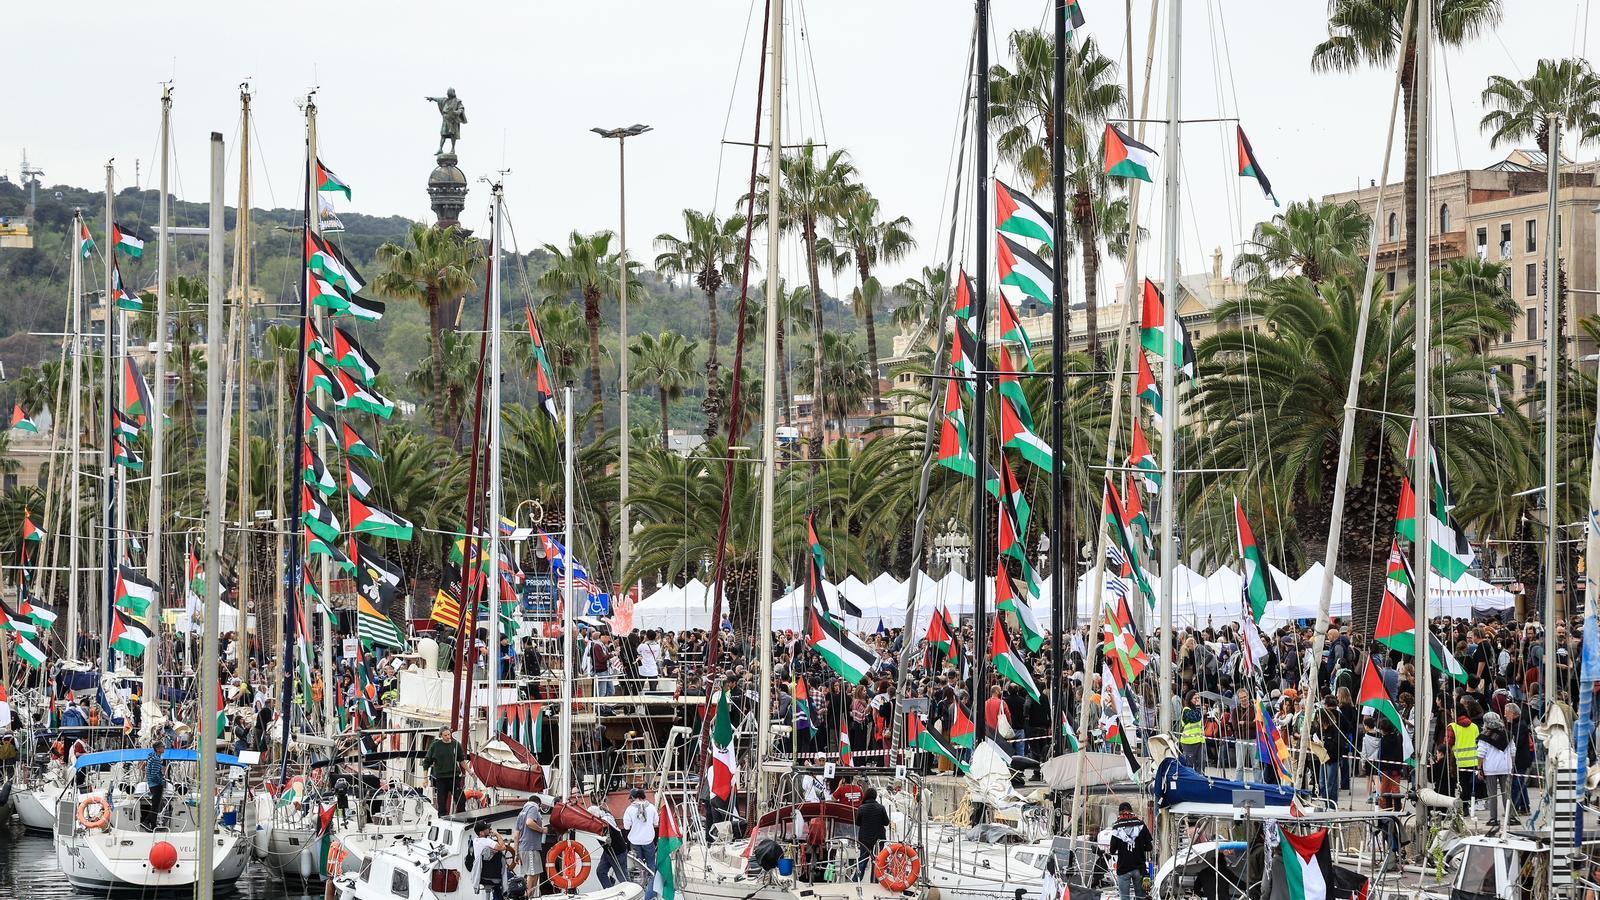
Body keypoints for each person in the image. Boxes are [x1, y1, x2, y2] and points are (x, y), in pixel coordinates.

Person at [1108, 801, 1152, 900]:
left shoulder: (1116, 827)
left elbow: (1112, 850)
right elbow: (1149, 847)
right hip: (1139, 868)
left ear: (1120, 813)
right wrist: (1139, 847)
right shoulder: (1141, 824)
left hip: (1123, 868)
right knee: (1141, 897)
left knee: (1124, 897)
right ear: (1131, 811)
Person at [587, 790, 630, 889]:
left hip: (617, 852)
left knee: (623, 878)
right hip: (608, 851)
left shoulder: (605, 823)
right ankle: (609, 889)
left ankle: (631, 891)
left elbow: (607, 834)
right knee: (600, 871)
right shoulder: (606, 816)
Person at [1477, 711, 1513, 827]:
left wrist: (1479, 768)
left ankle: (1493, 819)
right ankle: (1510, 817)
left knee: (1492, 794)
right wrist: (1511, 764)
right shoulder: (1507, 734)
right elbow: (1513, 751)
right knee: (1506, 794)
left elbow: (1481, 754)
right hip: (1506, 767)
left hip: (1491, 769)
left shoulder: (1484, 736)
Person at [622, 788, 659, 899]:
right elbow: (656, 823)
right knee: (651, 868)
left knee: (637, 870)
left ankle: (638, 893)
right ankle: (650, 895)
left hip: (635, 843)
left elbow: (626, 826)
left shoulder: (629, 809)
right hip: (648, 841)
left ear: (633, 798)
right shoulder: (651, 807)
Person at [1446, 703, 1481, 814]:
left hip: (1459, 761)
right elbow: (1478, 742)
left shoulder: (1452, 727)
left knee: (1461, 786)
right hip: (1474, 761)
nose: (1451, 714)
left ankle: (1462, 808)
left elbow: (1448, 743)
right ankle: (1467, 806)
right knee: (1469, 787)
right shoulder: (1474, 726)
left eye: (1452, 712)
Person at [425, 727, 468, 815]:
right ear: (441, 736)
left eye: (449, 734)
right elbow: (427, 761)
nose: (448, 737)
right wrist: (425, 778)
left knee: (460, 799)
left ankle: (462, 817)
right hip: (441, 778)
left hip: (454, 777)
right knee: (441, 802)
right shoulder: (435, 745)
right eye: (445, 735)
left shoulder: (456, 744)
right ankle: (442, 819)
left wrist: (470, 771)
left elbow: (461, 760)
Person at [854, 787, 890, 881]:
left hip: (865, 838)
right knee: (878, 860)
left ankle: (856, 880)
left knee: (863, 859)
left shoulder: (861, 808)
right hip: (879, 838)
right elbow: (886, 822)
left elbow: (858, 823)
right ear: (875, 796)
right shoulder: (881, 808)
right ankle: (875, 880)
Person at [515, 795, 546, 898]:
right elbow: (529, 822)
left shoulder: (521, 813)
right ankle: (526, 897)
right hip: (530, 847)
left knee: (536, 874)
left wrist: (516, 853)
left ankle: (530, 897)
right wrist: (542, 829)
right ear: (538, 804)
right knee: (532, 875)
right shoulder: (532, 808)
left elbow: (516, 835)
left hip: (525, 848)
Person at [473, 820, 512, 900]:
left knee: (498, 884)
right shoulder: (487, 841)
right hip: (492, 876)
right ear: (481, 833)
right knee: (511, 878)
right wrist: (497, 835)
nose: (489, 829)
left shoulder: (475, 841)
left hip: (481, 875)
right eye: (487, 828)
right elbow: (503, 847)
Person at [143, 740, 168, 831]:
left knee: (155, 806)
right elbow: (154, 774)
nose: (164, 748)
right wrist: (161, 781)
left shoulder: (151, 757)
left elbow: (150, 772)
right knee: (155, 807)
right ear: (157, 749)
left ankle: (150, 823)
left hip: (151, 784)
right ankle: (149, 823)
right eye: (162, 746)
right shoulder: (157, 759)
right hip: (156, 785)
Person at [1179, 693, 1206, 770]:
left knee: (1201, 764)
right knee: (1189, 765)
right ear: (1190, 699)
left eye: (1198, 698)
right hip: (1189, 742)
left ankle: (1200, 779)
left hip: (1200, 741)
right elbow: (1195, 718)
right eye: (1195, 698)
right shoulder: (1186, 710)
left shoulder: (1197, 710)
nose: (1197, 700)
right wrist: (1198, 707)